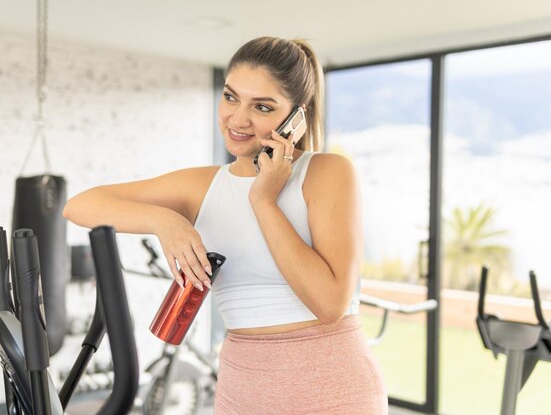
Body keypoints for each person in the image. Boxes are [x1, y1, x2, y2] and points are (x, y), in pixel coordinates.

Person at [63, 36, 387, 415]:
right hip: (242, 385)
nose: (237, 119)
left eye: (262, 107)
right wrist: (163, 220)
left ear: (295, 117)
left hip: (331, 387)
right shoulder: (203, 186)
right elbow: (78, 205)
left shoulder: (327, 173)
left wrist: (264, 201)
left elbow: (330, 304)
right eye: (231, 97)